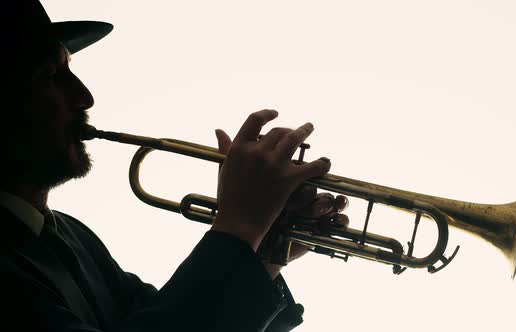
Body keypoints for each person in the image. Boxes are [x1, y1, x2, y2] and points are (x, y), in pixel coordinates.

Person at [0, 1, 349, 331]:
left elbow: (158, 320)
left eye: (70, 70)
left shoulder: (69, 234)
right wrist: (240, 226)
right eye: (49, 75)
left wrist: (262, 249)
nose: (84, 96)